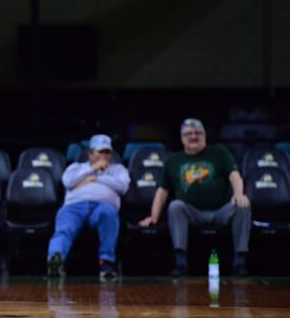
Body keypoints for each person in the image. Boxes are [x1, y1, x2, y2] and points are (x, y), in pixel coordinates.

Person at [139, 118, 251, 276]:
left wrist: (239, 194)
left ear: (205, 135)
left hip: (221, 211)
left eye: (198, 133)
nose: (193, 136)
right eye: (189, 134)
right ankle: (180, 262)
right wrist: (153, 216)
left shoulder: (219, 152)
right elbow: (162, 190)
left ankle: (240, 262)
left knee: (243, 206)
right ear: (181, 138)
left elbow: (234, 175)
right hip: (192, 213)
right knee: (175, 206)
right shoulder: (173, 160)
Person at [46, 134, 130, 279]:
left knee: (109, 213)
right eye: (101, 152)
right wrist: (93, 168)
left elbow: (122, 187)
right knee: (65, 225)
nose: (104, 155)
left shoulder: (118, 169)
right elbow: (68, 181)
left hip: (103, 206)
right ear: (90, 154)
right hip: (75, 207)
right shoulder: (76, 167)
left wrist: (96, 178)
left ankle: (107, 263)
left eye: (107, 152)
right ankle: (55, 259)